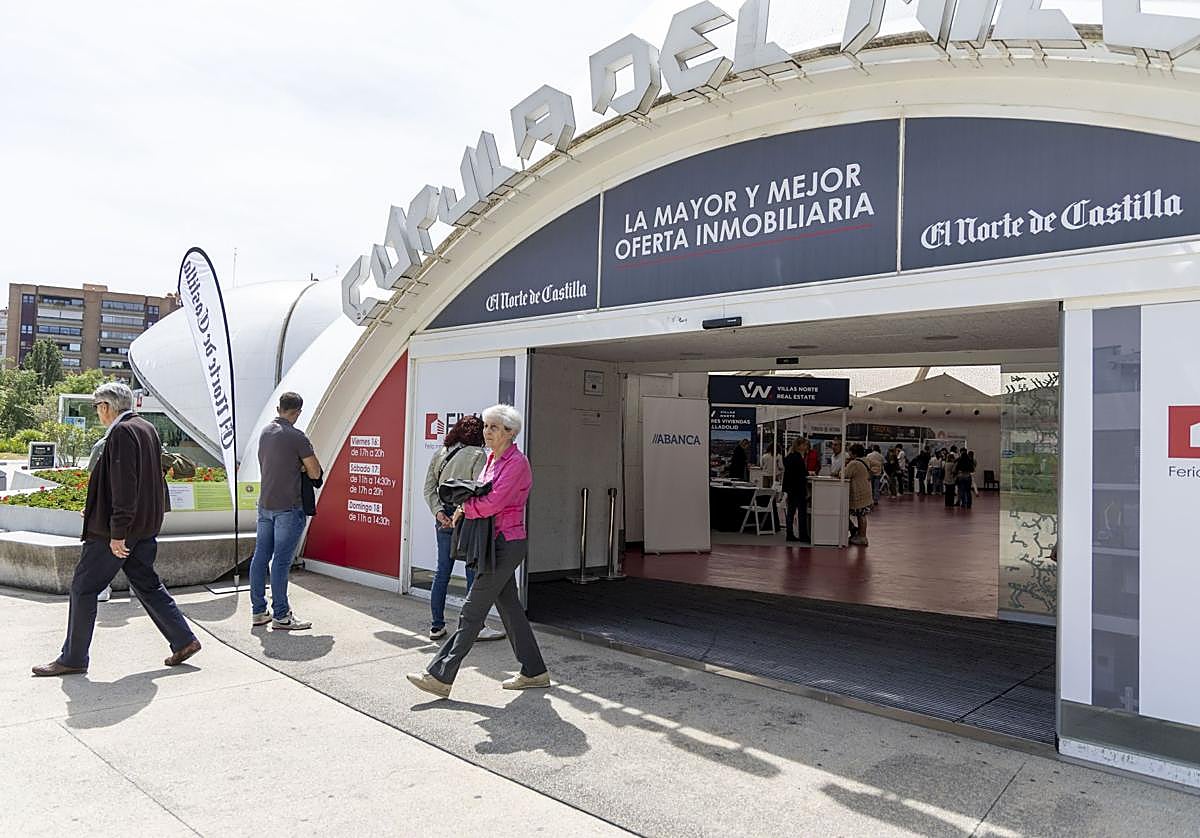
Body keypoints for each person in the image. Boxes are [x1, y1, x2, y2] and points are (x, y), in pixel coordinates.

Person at [33, 383, 200, 676]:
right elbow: (141, 480)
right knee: (147, 584)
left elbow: (125, 485)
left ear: (107, 407)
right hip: (144, 526)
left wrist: (117, 533)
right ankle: (184, 640)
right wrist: (99, 508)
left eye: (97, 406)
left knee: (84, 588)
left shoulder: (122, 432)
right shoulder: (146, 427)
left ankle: (73, 658)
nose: (98, 413)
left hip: (119, 531)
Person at [407, 404, 549, 699]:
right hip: (492, 542)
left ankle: (440, 676)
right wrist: (464, 506)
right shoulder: (491, 459)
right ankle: (535, 672)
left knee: (471, 611)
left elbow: (493, 503)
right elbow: (478, 493)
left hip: (505, 543)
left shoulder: (516, 463)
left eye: (494, 427)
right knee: (510, 608)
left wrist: (465, 508)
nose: (487, 432)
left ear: (510, 433)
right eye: (486, 426)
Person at [422, 415, 504, 641]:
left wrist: (440, 513)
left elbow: (428, 489)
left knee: (442, 572)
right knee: (472, 571)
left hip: (443, 518)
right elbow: (477, 489)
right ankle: (473, 627)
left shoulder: (440, 453)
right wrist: (459, 512)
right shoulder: (478, 455)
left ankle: (436, 626)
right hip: (466, 517)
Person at [249, 392, 323, 631]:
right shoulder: (296, 437)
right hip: (289, 508)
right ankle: (281, 615)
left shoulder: (265, 432)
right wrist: (301, 466)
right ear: (297, 412)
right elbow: (315, 472)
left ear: (279, 408)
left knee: (261, 557)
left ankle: (259, 611)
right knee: (280, 562)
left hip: (265, 505)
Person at [843, 443, 873, 546]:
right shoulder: (865, 461)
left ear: (854, 453)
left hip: (858, 492)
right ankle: (861, 535)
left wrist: (842, 469)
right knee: (862, 515)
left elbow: (844, 475)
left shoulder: (854, 463)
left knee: (860, 515)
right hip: (866, 491)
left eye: (850, 451)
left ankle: (862, 537)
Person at [781, 438, 809, 543]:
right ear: (799, 446)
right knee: (801, 512)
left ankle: (790, 533)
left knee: (791, 512)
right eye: (805, 445)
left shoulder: (789, 457)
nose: (806, 447)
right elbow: (802, 474)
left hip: (790, 489)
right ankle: (803, 535)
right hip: (798, 489)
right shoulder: (798, 458)